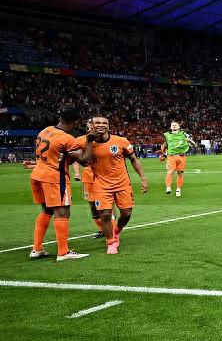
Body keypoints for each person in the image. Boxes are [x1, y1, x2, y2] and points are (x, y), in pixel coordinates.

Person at [28, 108, 94, 261]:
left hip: (38, 175)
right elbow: (84, 161)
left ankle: (37, 249)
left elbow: (60, 155)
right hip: (55, 178)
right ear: (74, 123)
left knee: (46, 210)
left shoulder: (45, 131)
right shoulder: (67, 138)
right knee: (62, 212)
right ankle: (63, 252)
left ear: (60, 118)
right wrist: (90, 141)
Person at [88, 115, 149, 254]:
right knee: (105, 214)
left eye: (104, 123)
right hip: (101, 185)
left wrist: (143, 178)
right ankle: (111, 242)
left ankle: (116, 230)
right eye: (97, 123)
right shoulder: (85, 141)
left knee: (126, 213)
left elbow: (133, 159)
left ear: (108, 126)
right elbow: (67, 151)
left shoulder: (121, 141)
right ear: (91, 125)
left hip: (122, 183)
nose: (101, 125)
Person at [74, 118, 105, 239]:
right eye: (91, 124)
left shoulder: (106, 139)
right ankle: (101, 229)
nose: (93, 126)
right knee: (93, 206)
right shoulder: (80, 140)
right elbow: (74, 157)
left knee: (106, 205)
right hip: (88, 178)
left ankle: (112, 232)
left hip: (104, 178)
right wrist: (77, 173)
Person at [160, 120, 195, 197]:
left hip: (181, 156)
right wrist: (163, 154)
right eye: (172, 125)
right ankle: (168, 187)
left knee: (180, 173)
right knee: (170, 172)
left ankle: (178, 190)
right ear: (170, 127)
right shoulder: (167, 135)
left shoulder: (184, 134)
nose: (174, 126)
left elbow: (193, 143)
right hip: (171, 156)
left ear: (179, 126)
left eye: (175, 125)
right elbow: (165, 145)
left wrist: (190, 141)